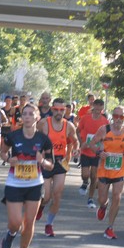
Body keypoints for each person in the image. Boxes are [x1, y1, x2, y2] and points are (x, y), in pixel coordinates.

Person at [0, 103, 54, 248]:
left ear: (37, 118)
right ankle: (11, 232)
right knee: (16, 222)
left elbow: (51, 164)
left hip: (34, 184)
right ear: (21, 118)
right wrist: (9, 159)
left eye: (31, 114)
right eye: (25, 114)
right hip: (14, 183)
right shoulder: (13, 136)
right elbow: (2, 153)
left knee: (29, 222)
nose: (28, 117)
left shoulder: (43, 139)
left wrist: (42, 161)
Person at [89, 105, 124, 240]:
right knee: (102, 199)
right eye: (116, 116)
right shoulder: (104, 130)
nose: (118, 119)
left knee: (117, 197)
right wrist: (99, 152)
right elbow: (91, 144)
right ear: (112, 117)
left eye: (121, 116)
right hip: (104, 170)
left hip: (120, 170)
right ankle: (103, 206)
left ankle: (110, 227)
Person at [36, 98, 79, 237]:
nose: (59, 112)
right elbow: (35, 139)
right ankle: (41, 206)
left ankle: (49, 224)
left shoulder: (69, 126)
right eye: (56, 109)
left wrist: (76, 149)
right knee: (47, 196)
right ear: (52, 109)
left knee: (57, 195)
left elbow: (75, 140)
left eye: (62, 110)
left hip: (60, 162)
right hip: (47, 162)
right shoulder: (44, 123)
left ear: (66, 110)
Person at [76, 98, 109, 208]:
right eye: (96, 109)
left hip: (97, 151)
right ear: (93, 107)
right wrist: (81, 142)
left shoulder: (105, 121)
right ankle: (85, 182)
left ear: (102, 109)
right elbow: (77, 130)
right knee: (85, 174)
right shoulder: (85, 118)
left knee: (94, 176)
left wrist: (103, 146)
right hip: (85, 150)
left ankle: (90, 199)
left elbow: (107, 136)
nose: (97, 111)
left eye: (100, 109)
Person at [1, 95, 14, 165]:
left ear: (11, 101)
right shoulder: (2, 110)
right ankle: (6, 155)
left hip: (10, 129)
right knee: (3, 143)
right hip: (3, 128)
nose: (8, 102)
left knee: (7, 143)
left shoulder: (13, 110)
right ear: (5, 101)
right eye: (7, 100)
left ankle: (7, 155)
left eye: (9, 100)